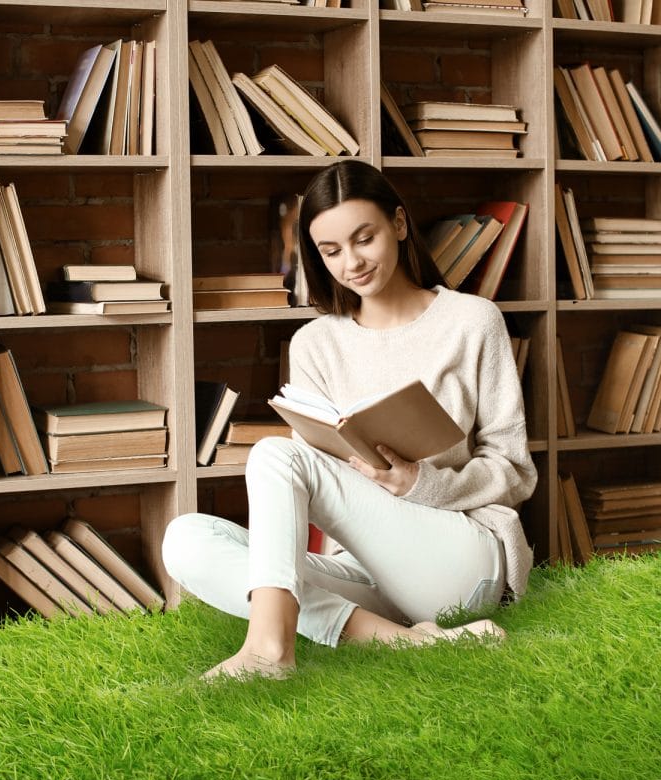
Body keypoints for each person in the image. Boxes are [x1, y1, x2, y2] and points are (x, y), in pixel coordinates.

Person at [163, 161, 537, 679]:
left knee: (274, 452)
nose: (352, 263)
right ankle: (406, 643)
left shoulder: (472, 322)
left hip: (461, 559)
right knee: (185, 539)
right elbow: (314, 486)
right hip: (367, 569)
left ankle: (269, 649)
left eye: (365, 239)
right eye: (331, 250)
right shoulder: (315, 343)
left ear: (399, 226)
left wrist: (418, 483)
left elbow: (514, 471)